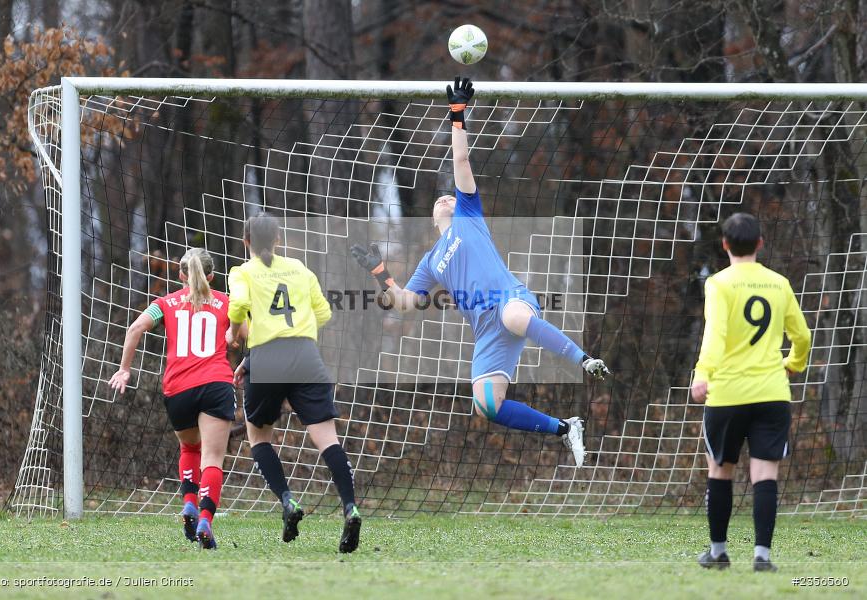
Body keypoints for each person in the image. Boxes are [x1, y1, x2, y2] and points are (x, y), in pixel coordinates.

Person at [350, 77, 609, 466]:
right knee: (487, 405)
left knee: (515, 316)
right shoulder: (431, 260)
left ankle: (583, 359)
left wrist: (457, 113)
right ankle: (565, 427)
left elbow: (460, 161)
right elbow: (403, 303)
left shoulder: (469, 216)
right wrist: (379, 271)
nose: (445, 197)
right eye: (441, 198)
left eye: (451, 195)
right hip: (486, 330)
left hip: (510, 300)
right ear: (432, 216)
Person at [228, 212, 361, 553]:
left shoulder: (242, 271)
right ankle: (350, 507)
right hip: (305, 356)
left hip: (266, 358)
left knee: (258, 436)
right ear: (278, 240)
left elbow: (240, 304)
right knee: (327, 439)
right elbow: (324, 314)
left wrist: (234, 332)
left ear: (246, 242)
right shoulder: (300, 269)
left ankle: (288, 501)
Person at [691, 212, 811, 572]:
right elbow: (802, 335)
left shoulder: (719, 284)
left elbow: (715, 335)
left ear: (724, 245)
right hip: (772, 393)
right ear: (760, 243)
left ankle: (718, 552)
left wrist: (702, 374)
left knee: (720, 470)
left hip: (728, 393)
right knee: (765, 475)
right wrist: (794, 363)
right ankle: (762, 557)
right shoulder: (779, 283)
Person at [109, 248, 235, 550]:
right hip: (216, 383)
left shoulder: (164, 304)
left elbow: (136, 327)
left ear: (180, 274)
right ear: (213, 276)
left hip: (178, 388)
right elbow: (240, 335)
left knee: (189, 446)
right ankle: (205, 518)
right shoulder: (227, 303)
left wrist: (125, 370)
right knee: (213, 458)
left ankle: (189, 503)